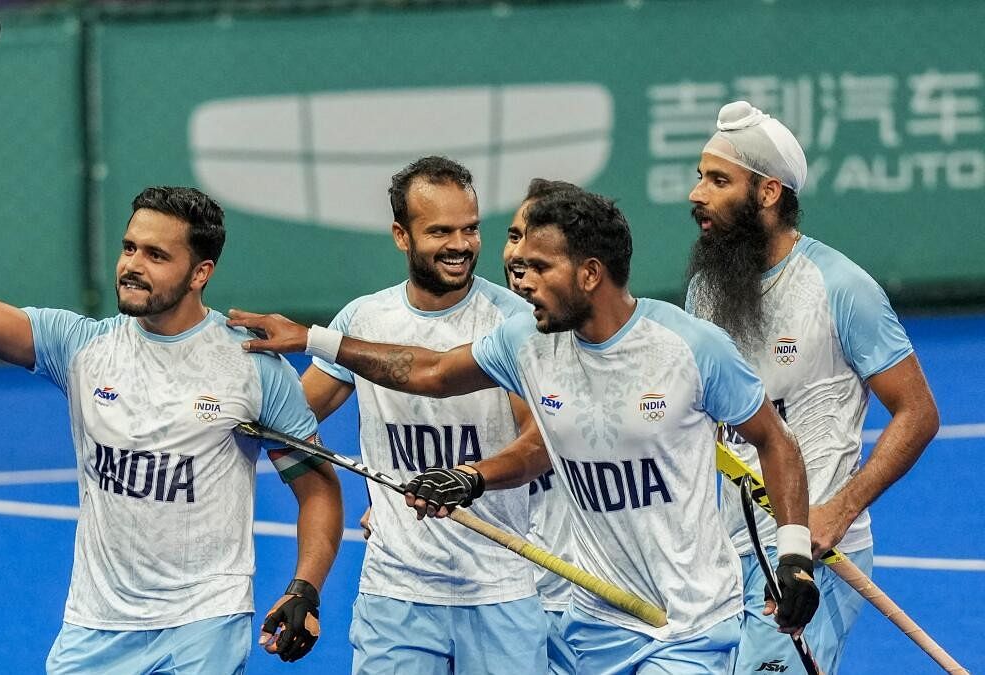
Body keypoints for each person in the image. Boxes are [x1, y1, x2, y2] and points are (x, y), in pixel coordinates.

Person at [229, 189, 821, 674]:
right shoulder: (525, 344)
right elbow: (429, 371)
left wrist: (793, 554)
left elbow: (775, 440)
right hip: (586, 623)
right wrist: (313, 339)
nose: (520, 279)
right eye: (518, 263)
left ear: (590, 273)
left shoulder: (691, 348)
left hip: (686, 624)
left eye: (539, 267)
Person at [0, 167, 343, 674]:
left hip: (205, 620)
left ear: (200, 273)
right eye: (129, 248)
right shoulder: (81, 345)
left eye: (156, 255)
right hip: (95, 622)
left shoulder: (253, 366)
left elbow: (317, 489)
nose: (132, 265)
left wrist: (306, 588)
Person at [686, 100, 940, 674]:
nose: (696, 194)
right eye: (700, 176)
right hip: (719, 557)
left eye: (718, 180)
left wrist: (838, 511)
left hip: (807, 560)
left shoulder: (841, 287)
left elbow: (918, 413)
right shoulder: (705, 290)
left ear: (769, 192)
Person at [298, 156, 546, 674]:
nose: (460, 245)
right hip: (396, 594)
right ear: (401, 235)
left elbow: (536, 446)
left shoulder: (515, 321)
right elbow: (291, 421)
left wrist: (465, 478)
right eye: (440, 231)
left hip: (499, 589)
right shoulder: (365, 319)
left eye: (471, 229)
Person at [504, 178, 582, 650]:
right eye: (514, 237)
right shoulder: (490, 336)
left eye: (538, 251)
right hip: (510, 598)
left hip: (592, 597)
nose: (519, 256)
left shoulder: (602, 344)